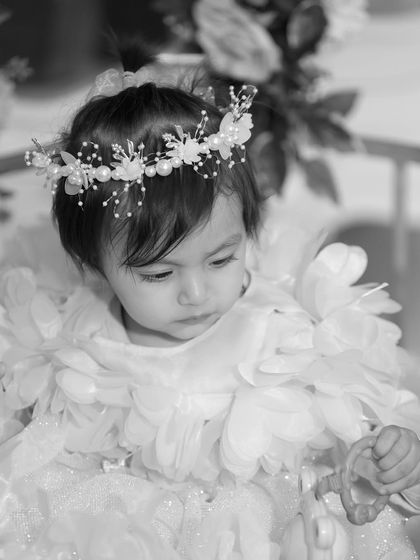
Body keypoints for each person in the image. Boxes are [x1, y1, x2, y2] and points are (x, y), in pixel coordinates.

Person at [1, 45, 420, 559]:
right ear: (94, 266)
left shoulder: (285, 331)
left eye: (221, 260)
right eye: (158, 273)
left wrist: (379, 459)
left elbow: (332, 456)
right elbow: (29, 461)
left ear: (248, 231)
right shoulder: (68, 341)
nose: (196, 293)